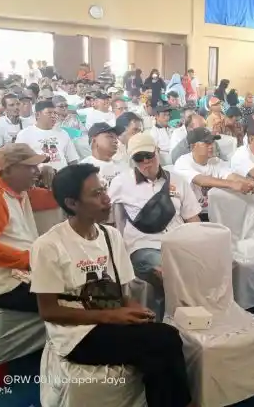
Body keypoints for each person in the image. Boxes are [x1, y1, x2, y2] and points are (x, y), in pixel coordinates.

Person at [31, 164, 193, 407]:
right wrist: (111, 316)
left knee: (163, 338)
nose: (107, 199)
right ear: (72, 203)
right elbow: (49, 311)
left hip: (108, 317)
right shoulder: (49, 246)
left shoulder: (110, 236)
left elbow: (119, 293)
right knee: (163, 340)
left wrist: (133, 307)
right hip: (76, 334)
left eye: (104, 190)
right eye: (96, 194)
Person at [108, 133, 201, 299]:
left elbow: (192, 218)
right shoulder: (121, 182)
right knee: (169, 269)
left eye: (148, 155)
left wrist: (201, 246)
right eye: (139, 158)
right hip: (143, 245)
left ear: (157, 151)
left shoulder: (178, 181)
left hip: (178, 243)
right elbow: (102, 208)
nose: (145, 161)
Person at [0, 144, 58, 313]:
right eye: (30, 167)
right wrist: (32, 261)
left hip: (16, 274)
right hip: (2, 283)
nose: (36, 172)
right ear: (7, 170)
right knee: (74, 299)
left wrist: (55, 180)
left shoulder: (19, 192)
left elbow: (57, 198)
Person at [173, 127, 254, 210]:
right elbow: (201, 180)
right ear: (193, 146)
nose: (211, 146)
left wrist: (248, 182)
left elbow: (230, 175)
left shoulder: (215, 161)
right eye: (206, 143)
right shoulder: (182, 162)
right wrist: (232, 184)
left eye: (212, 142)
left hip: (212, 210)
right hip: (191, 213)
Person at [15, 101, 79, 170]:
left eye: (55, 113)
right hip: (38, 175)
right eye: (49, 113)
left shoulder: (63, 133)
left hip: (61, 174)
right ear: (37, 115)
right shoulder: (24, 134)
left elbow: (72, 159)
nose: (53, 116)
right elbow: (18, 160)